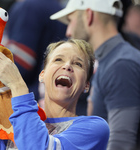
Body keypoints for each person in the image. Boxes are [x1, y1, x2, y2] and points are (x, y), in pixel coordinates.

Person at [0, 39, 109, 149]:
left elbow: (38, 147)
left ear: (86, 85)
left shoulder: (94, 128)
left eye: (78, 64)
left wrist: (18, 85)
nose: (67, 66)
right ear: (42, 75)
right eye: (59, 60)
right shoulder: (14, 123)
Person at [50, 0, 140, 149]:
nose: (68, 32)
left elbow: (121, 143)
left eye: (71, 21)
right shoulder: (113, 60)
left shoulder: (120, 64)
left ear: (88, 15)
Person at [4, 0, 67, 101]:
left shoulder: (29, 7)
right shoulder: (58, 7)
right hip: (51, 97)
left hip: (28, 99)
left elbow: (21, 63)